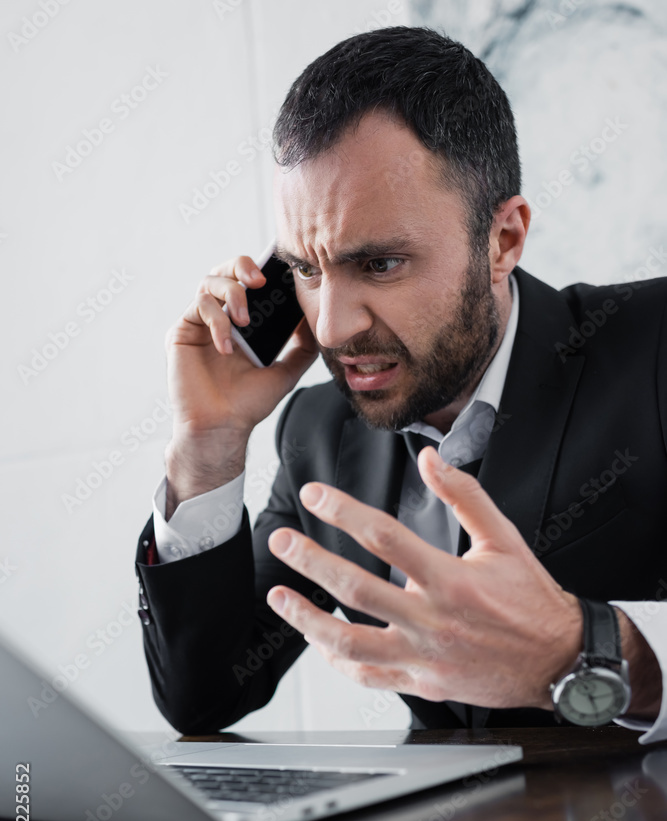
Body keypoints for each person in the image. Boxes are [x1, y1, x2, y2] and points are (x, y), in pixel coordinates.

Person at [135, 26, 666, 740]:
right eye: (306, 269)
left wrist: (592, 650)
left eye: (379, 265)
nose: (331, 328)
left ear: (503, 240)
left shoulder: (653, 346)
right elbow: (204, 697)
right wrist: (207, 447)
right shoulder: (319, 433)